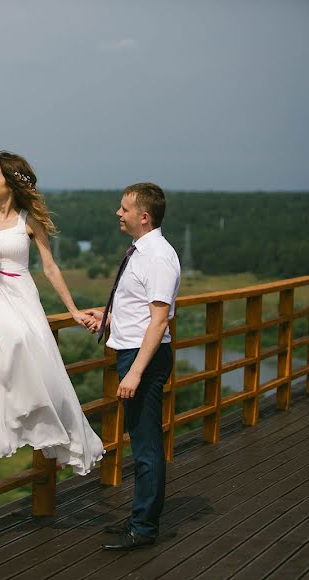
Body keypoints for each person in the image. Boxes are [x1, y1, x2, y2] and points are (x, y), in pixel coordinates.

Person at [0, 150, 104, 474]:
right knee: (13, 338)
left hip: (25, 297)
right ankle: (18, 417)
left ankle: (53, 422)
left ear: (10, 183)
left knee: (43, 357)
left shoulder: (30, 220)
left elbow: (50, 268)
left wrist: (72, 311)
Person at [86, 182, 181, 551]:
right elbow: (139, 308)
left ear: (144, 216)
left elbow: (159, 321)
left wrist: (136, 372)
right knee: (141, 442)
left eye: (124, 208)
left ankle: (143, 528)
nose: (118, 213)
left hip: (144, 359)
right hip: (133, 350)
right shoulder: (142, 252)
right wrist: (107, 317)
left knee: (146, 446)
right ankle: (139, 515)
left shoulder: (158, 256)